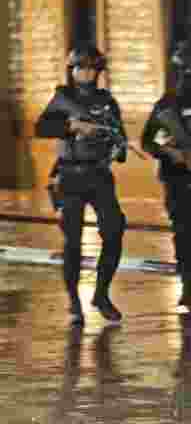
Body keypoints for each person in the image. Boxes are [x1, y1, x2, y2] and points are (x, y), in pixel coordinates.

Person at [35, 45, 127, 325]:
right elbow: (41, 128)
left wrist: (114, 145)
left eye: (90, 68)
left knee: (114, 230)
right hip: (70, 175)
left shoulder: (107, 100)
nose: (85, 73)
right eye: (79, 68)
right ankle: (74, 303)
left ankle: (101, 294)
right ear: (72, 70)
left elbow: (119, 138)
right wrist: (71, 127)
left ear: (98, 72)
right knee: (72, 241)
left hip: (99, 175)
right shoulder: (64, 98)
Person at [141, 43, 191, 313]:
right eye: (189, 74)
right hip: (176, 180)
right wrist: (170, 152)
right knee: (184, 235)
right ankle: (189, 289)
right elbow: (147, 142)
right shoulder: (166, 106)